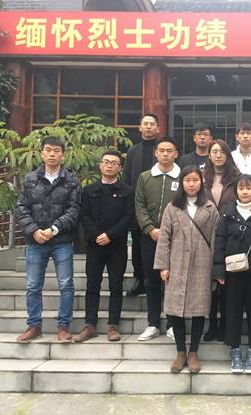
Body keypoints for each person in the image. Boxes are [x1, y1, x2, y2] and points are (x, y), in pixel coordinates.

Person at [155, 166, 220, 374]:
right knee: (176, 309)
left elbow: (217, 239)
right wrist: (163, 265)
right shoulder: (172, 207)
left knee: (199, 309)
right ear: (181, 183)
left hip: (202, 263)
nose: (191, 184)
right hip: (177, 262)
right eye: (187, 180)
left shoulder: (210, 207)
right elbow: (164, 237)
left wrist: (216, 267)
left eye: (195, 180)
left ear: (201, 182)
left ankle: (193, 352)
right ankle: (180, 351)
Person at [15, 136, 81, 343]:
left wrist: (54, 229)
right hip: (35, 241)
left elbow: (74, 210)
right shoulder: (30, 179)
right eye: (48, 150)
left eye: (56, 150)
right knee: (33, 285)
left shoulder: (71, 180)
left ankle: (63, 326)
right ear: (42, 153)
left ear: (63, 154)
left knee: (66, 284)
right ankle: (34, 325)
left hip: (62, 240)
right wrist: (34, 230)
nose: (52, 154)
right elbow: (21, 208)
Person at [212, 174, 251, 374]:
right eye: (241, 188)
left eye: (249, 188)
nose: (245, 192)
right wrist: (218, 270)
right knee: (232, 311)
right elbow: (220, 243)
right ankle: (234, 350)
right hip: (233, 273)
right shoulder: (227, 213)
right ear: (236, 191)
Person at [74, 149, 134, 343]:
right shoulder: (88, 190)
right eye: (106, 162)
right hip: (94, 244)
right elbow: (83, 215)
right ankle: (90, 324)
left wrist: (110, 235)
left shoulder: (127, 191)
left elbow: (128, 217)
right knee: (92, 284)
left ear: (120, 168)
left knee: (116, 285)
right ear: (100, 165)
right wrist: (97, 235)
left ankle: (113, 325)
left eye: (114, 163)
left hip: (117, 245)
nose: (109, 166)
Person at [135, 136, 180, 341]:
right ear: (156, 153)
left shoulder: (182, 177)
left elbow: (185, 205)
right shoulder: (145, 177)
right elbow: (139, 205)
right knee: (151, 280)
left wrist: (172, 231)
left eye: (169, 151)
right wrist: (150, 229)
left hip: (175, 238)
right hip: (150, 237)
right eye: (162, 150)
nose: (165, 154)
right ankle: (153, 323)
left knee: (172, 281)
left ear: (176, 154)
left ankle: (172, 323)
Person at [202, 139, 240, 341]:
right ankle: (212, 325)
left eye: (222, 152)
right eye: (214, 151)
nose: (218, 155)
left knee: (227, 284)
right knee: (209, 283)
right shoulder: (201, 178)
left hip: (230, 236)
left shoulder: (237, 178)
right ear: (209, 155)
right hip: (205, 236)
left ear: (227, 155)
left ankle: (225, 323)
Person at [123, 113, 161, 297]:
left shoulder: (162, 149)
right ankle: (140, 279)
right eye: (145, 124)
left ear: (158, 128)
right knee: (137, 245)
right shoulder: (133, 151)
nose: (148, 127)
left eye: (152, 124)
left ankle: (159, 281)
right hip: (137, 206)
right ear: (140, 128)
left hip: (159, 205)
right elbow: (126, 179)